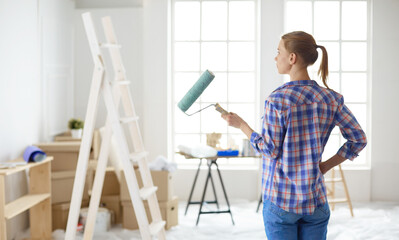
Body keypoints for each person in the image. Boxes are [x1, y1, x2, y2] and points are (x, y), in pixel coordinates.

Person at [222, 31, 367, 240]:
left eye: (278, 51)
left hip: (281, 200)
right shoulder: (332, 99)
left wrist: (242, 125)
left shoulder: (278, 100)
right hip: (315, 200)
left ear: (292, 58)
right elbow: (358, 139)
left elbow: (269, 150)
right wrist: (325, 166)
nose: (275, 57)